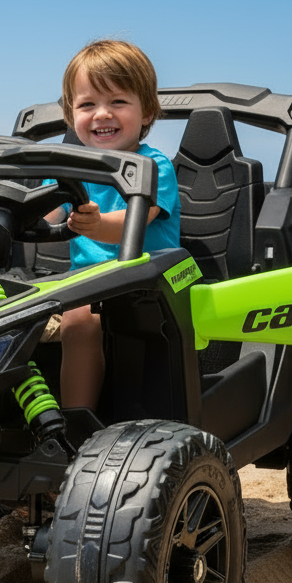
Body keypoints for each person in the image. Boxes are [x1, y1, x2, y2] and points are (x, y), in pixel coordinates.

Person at [55, 39, 181, 412]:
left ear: (147, 112)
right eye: (87, 105)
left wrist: (95, 224)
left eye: (118, 102)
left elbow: (135, 223)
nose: (102, 114)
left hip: (149, 284)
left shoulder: (153, 167)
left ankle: (74, 422)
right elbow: (39, 214)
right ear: (70, 114)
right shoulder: (68, 168)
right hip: (89, 282)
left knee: (78, 317)